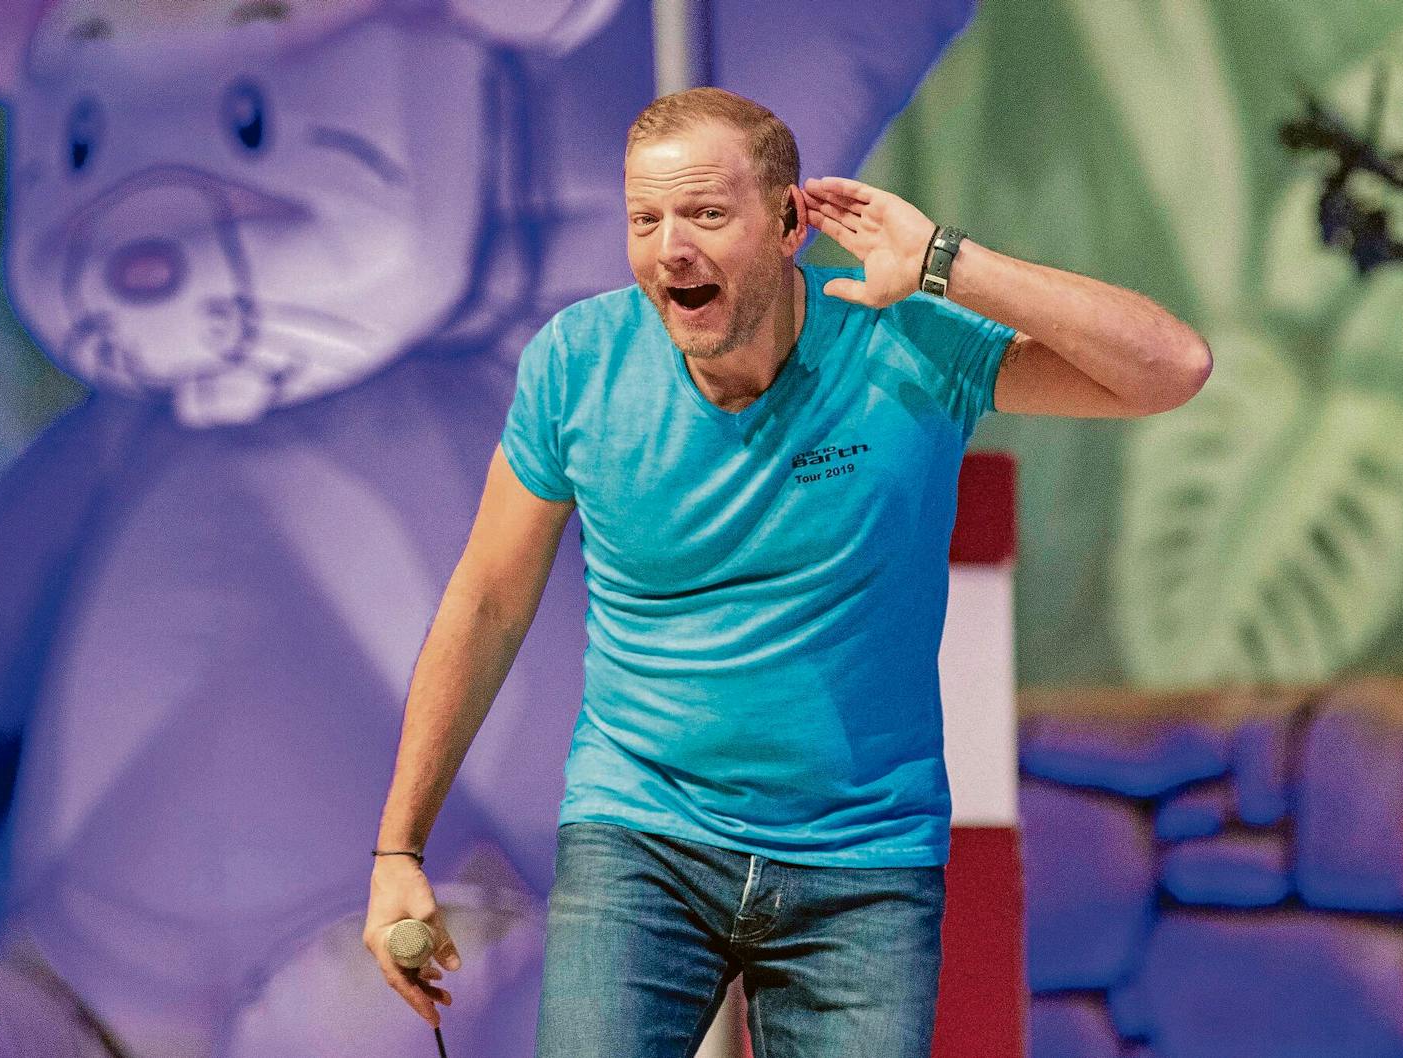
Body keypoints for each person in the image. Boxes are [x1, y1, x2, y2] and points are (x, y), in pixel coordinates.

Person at [363, 86, 1210, 1057]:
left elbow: (1169, 368)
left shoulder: (905, 343)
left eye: (707, 214)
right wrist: (398, 847)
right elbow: (486, 601)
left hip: (863, 857)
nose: (669, 247)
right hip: (642, 832)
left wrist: (946, 261)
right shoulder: (575, 363)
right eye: (644, 219)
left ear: (789, 224)